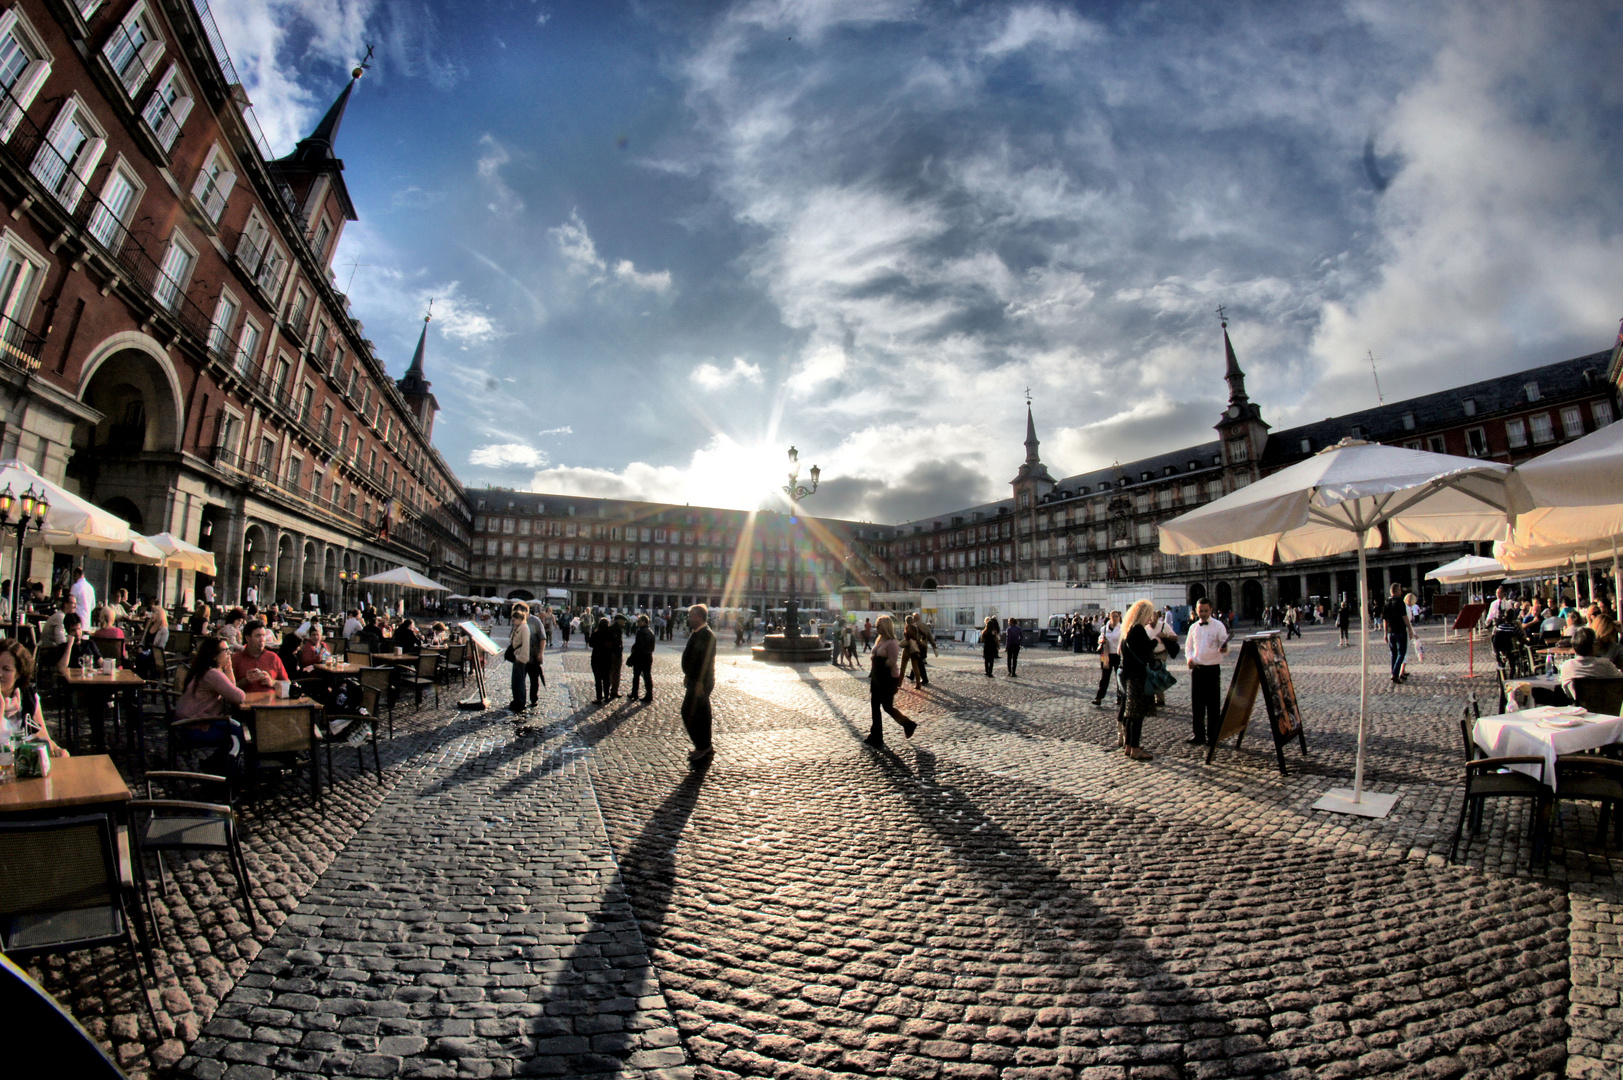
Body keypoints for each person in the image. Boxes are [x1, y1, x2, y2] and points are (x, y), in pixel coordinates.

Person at [174, 637, 248, 776]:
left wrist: (229, 668)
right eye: (225, 650)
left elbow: (231, 690)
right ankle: (229, 775)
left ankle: (213, 764)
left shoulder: (203, 670)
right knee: (238, 733)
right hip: (194, 726)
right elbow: (238, 696)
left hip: (188, 721)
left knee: (235, 728)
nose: (229, 653)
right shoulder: (213, 674)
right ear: (214, 655)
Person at [0, 639, 66, 758]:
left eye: (6, 669)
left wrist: (57, 749)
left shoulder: (28, 697)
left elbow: (43, 735)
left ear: (18, 673)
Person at [864, 613, 915, 748]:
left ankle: (908, 724)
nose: (876, 628)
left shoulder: (892, 643)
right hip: (876, 676)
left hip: (887, 678)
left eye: (879, 626)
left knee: (887, 707)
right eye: (876, 626)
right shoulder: (880, 640)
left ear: (885, 626)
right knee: (875, 707)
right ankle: (876, 735)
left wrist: (894, 682)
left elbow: (892, 663)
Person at [1117, 600, 1158, 762]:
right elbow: (1145, 649)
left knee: (1130, 713)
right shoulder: (1138, 630)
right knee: (1137, 715)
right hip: (1137, 676)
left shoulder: (1128, 629)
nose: (1151, 618)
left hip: (1128, 675)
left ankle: (1129, 746)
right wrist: (1156, 641)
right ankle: (1134, 748)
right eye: (1149, 614)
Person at [1185, 599, 1229, 745]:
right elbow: (1188, 647)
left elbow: (1225, 645)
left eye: (1205, 611)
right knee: (1197, 704)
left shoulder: (1218, 626)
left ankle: (1213, 735)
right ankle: (1198, 735)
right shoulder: (1193, 627)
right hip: (1197, 669)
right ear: (1196, 611)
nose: (1202, 614)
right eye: (1200, 611)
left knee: (1213, 705)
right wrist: (1189, 659)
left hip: (1212, 668)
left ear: (1211, 610)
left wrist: (1224, 648)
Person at [680, 604, 717, 765]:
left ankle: (702, 746)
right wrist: (688, 675)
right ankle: (705, 746)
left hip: (701, 681)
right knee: (703, 714)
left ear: (700, 616)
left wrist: (700, 682)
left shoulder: (706, 634)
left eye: (691, 616)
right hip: (695, 679)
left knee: (688, 711)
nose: (689, 618)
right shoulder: (699, 633)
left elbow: (705, 660)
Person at [1558, 628, 1623, 696]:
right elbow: (1620, 682)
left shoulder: (1566, 666)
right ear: (1593, 645)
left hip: (1579, 705)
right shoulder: (1605, 664)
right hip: (1605, 704)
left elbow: (1568, 693)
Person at [231, 620, 289, 691]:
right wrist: (246, 681)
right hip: (246, 701)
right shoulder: (235, 659)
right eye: (258, 636)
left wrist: (272, 682)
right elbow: (227, 690)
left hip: (271, 701)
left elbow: (287, 683)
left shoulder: (273, 657)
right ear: (248, 638)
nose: (262, 640)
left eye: (263, 635)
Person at [1382, 583, 1412, 684]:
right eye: (1399, 589)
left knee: (1393, 654)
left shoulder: (1386, 602)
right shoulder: (1400, 602)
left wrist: (1385, 633)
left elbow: (1385, 620)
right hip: (1400, 631)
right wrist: (1410, 630)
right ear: (1396, 591)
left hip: (1391, 632)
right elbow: (1405, 617)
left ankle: (1393, 672)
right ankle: (1395, 674)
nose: (1401, 591)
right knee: (1401, 653)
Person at [589, 616, 622, 702]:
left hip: (596, 657)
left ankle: (599, 697)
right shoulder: (610, 634)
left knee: (598, 679)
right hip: (607, 657)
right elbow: (614, 644)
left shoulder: (595, 633)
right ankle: (607, 696)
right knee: (606, 677)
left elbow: (591, 644)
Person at [1093, 610, 1122, 708]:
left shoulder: (1122, 628)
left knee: (1119, 677)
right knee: (1105, 677)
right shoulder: (1104, 628)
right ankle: (1099, 697)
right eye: (1113, 616)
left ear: (1119, 617)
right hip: (1106, 655)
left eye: (1116, 616)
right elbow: (1100, 639)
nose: (1114, 618)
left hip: (1118, 655)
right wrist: (1101, 640)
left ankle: (1120, 697)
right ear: (1110, 617)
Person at [507, 603, 531, 713]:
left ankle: (520, 702)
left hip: (521, 658)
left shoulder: (524, 628)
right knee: (515, 681)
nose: (513, 622)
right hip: (516, 657)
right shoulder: (519, 627)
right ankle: (516, 700)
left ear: (519, 619)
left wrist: (523, 658)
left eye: (514, 620)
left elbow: (526, 644)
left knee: (520, 681)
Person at [629, 614, 656, 702]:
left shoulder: (640, 631)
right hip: (648, 656)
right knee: (647, 676)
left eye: (639, 621)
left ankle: (634, 693)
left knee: (636, 676)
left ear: (644, 622)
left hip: (640, 657)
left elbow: (638, 645)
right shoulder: (651, 632)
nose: (637, 623)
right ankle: (649, 695)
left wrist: (632, 657)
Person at [524, 605, 546, 708]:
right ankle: (520, 699)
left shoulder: (535, 621)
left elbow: (542, 638)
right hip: (521, 657)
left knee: (534, 679)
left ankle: (533, 699)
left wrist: (540, 653)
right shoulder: (517, 621)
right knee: (520, 679)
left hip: (533, 656)